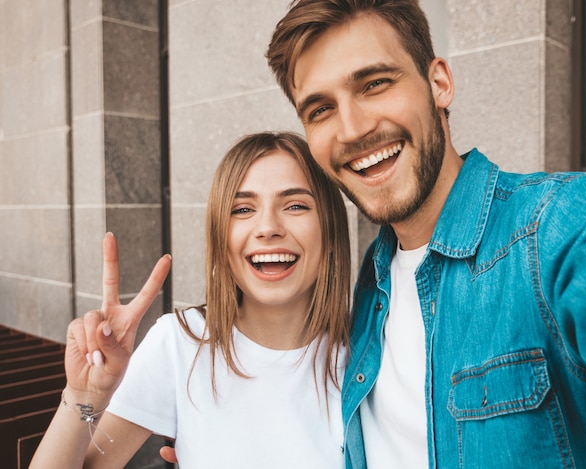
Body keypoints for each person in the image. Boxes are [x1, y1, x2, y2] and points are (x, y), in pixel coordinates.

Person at [262, 0, 586, 467]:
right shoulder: (369, 291)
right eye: (320, 110)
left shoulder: (560, 222)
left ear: (439, 83)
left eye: (374, 84)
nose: (352, 129)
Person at [30, 131, 352, 469]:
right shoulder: (181, 342)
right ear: (220, 236)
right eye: (242, 209)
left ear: (330, 229)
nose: (268, 227)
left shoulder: (367, 354)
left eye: (296, 205)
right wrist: (84, 398)